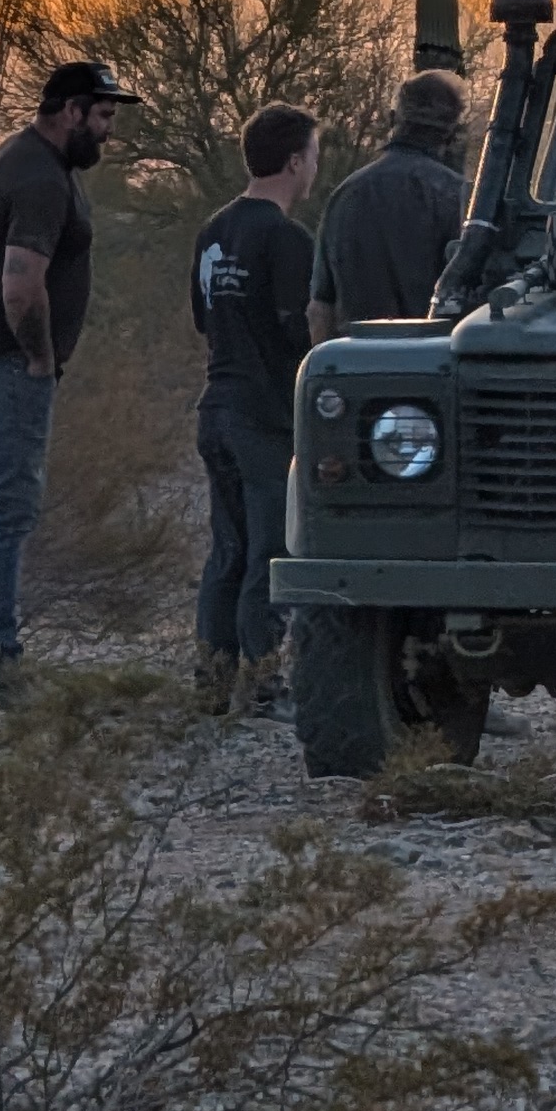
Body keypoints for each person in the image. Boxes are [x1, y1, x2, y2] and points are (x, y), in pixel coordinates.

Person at [0, 58, 127, 662]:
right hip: (0, 357)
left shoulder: (29, 157)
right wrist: (40, 359)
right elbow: (20, 288)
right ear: (70, 111)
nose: (107, 131)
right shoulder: (40, 180)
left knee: (5, 500)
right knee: (10, 505)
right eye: (100, 115)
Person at [191, 101, 321, 710]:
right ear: (296, 161)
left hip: (214, 405)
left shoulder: (214, 229)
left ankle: (213, 684)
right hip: (263, 415)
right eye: (313, 154)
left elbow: (203, 317)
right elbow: (299, 329)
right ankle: (264, 681)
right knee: (269, 552)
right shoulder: (287, 238)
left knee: (227, 551)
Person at [307, 68, 470, 335]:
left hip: (359, 366)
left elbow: (320, 310)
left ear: (392, 119)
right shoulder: (459, 198)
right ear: (453, 132)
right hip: (435, 365)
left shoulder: (346, 194)